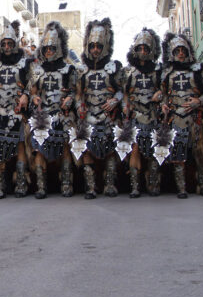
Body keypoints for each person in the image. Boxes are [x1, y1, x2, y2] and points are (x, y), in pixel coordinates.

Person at [157, 32, 203, 198]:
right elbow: (163, 94)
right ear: (172, 53)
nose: (181, 54)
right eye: (177, 51)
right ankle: (181, 188)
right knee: (177, 153)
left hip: (195, 118)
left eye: (183, 50)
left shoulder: (199, 71)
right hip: (175, 118)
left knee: (201, 153)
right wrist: (163, 104)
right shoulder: (167, 73)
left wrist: (197, 102)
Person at [0, 20, 34, 199]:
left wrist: (26, 95)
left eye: (9, 43)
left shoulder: (25, 63)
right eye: (3, 44)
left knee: (20, 147)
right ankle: (0, 187)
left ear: (15, 44)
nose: (6, 47)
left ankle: (21, 185)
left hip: (17, 113)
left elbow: (32, 84)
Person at [74, 18, 124, 199]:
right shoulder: (80, 71)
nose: (95, 50)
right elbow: (78, 94)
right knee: (87, 151)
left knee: (110, 151)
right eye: (93, 46)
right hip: (88, 118)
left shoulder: (114, 68)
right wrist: (79, 106)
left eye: (99, 46)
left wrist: (115, 101)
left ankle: (110, 184)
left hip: (108, 118)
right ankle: (91, 187)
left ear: (105, 47)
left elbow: (121, 91)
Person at [28, 21, 77, 198]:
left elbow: (74, 90)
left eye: (52, 48)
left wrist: (70, 98)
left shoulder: (68, 69)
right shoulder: (37, 70)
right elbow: (32, 91)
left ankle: (66, 183)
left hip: (62, 114)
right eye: (46, 48)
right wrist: (34, 97)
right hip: (43, 115)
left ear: (58, 48)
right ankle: (41, 186)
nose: (48, 51)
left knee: (65, 146)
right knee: (39, 148)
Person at [123, 27, 162, 196]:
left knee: (154, 149)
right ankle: (134, 185)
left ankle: (152, 182)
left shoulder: (159, 70)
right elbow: (122, 92)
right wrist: (126, 105)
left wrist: (161, 95)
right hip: (135, 115)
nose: (143, 51)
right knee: (135, 148)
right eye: (140, 48)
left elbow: (167, 91)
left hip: (154, 115)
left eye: (146, 48)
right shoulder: (128, 72)